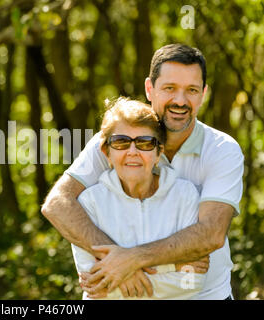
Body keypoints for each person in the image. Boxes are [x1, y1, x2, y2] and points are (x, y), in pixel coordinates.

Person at [41, 44, 244, 300]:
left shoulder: (222, 150)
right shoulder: (118, 141)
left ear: (203, 94)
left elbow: (211, 233)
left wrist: (131, 260)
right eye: (170, 88)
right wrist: (119, 262)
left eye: (191, 90)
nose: (180, 101)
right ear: (150, 88)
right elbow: (58, 203)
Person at [72, 97, 207, 300]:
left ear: (158, 152)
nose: (132, 152)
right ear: (106, 152)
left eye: (144, 143)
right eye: (121, 142)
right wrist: (173, 266)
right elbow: (96, 289)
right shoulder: (89, 203)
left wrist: (123, 272)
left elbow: (192, 282)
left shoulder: (185, 195)